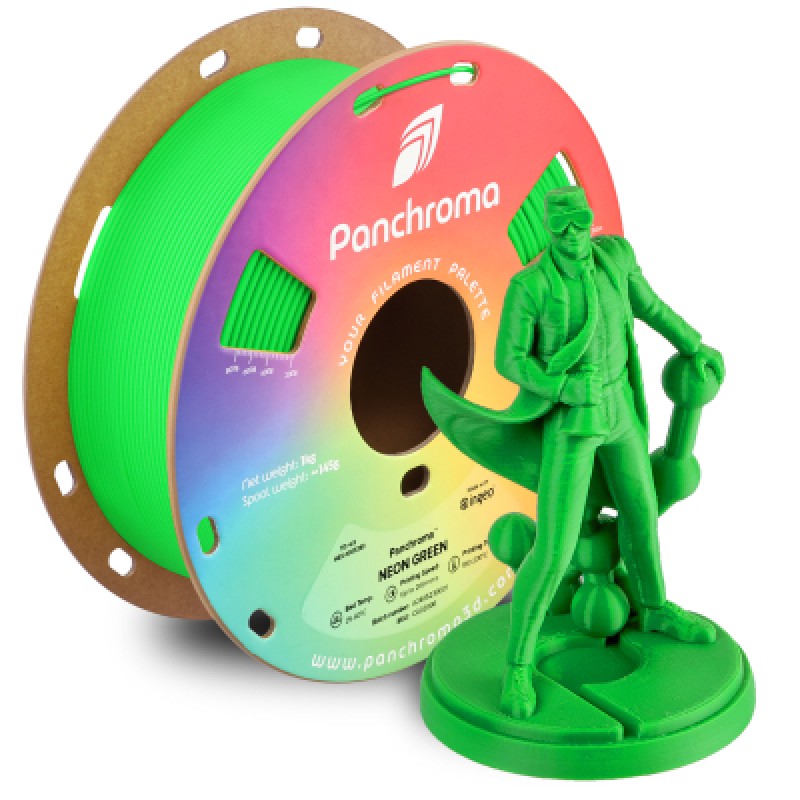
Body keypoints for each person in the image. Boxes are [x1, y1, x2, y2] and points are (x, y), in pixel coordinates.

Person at [421, 186, 725, 719]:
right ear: (548, 230)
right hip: (572, 420)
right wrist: (561, 387)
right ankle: (518, 666)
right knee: (555, 547)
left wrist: (693, 343)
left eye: (580, 223)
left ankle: (654, 608)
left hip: (620, 408)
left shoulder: (615, 257)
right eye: (561, 227)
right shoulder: (530, 286)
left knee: (641, 513)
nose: (573, 235)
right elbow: (510, 360)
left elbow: (650, 307)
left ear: (590, 220)